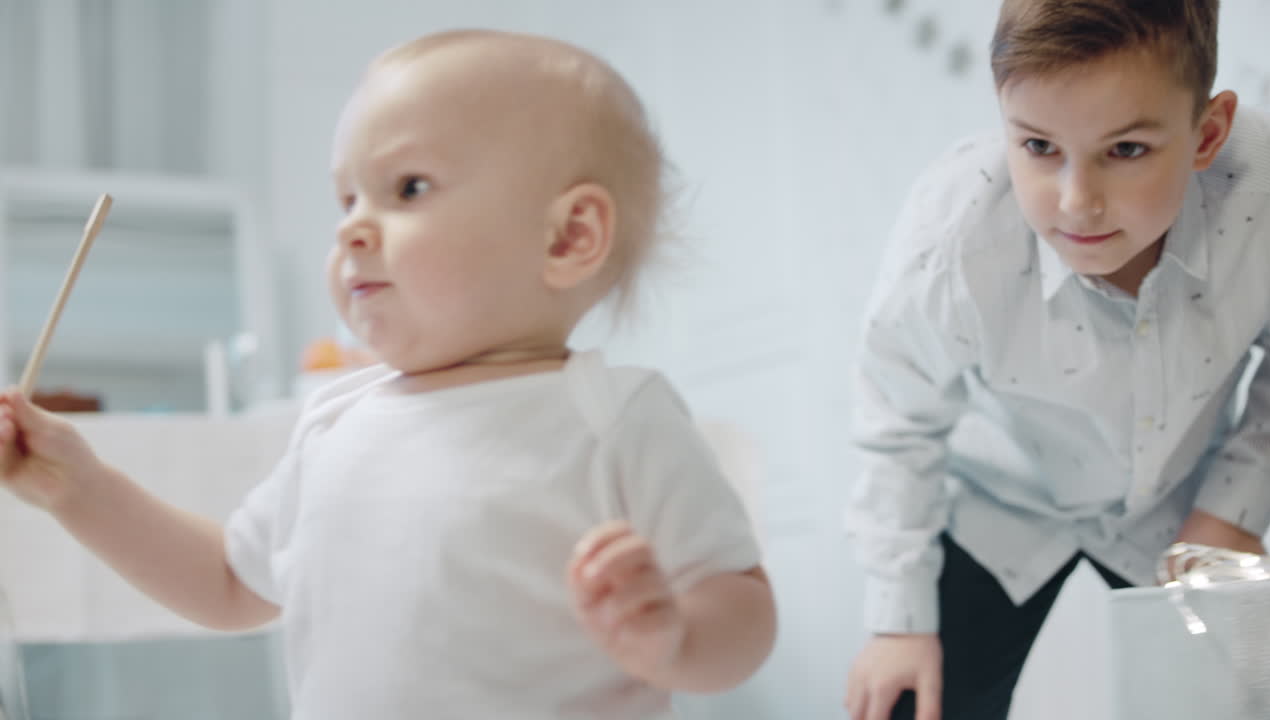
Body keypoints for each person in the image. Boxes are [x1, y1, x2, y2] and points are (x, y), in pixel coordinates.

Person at [0, 29, 775, 719]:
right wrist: (79, 487)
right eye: (347, 197)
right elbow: (230, 584)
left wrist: (674, 637)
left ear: (569, 236)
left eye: (408, 188)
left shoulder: (615, 416)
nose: (351, 227)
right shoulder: (337, 422)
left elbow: (743, 607)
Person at [842, 2, 1270, 718]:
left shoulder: (1268, 193)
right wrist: (898, 621)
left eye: (1127, 150)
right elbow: (895, 419)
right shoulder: (950, 240)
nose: (1077, 204)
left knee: (1241, 701)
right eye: (1039, 147)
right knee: (911, 701)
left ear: (1208, 133)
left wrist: (1231, 510)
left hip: (1179, 506)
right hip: (1002, 502)